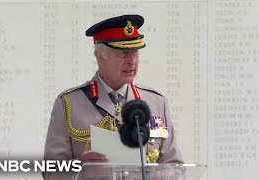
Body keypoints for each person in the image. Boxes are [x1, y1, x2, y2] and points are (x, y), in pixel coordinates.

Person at [43, 14, 184, 179]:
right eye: (123, 53)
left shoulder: (157, 102)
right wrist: (78, 170)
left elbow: (176, 165)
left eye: (135, 52)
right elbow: (50, 172)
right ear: (100, 56)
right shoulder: (69, 103)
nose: (132, 61)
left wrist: (167, 175)